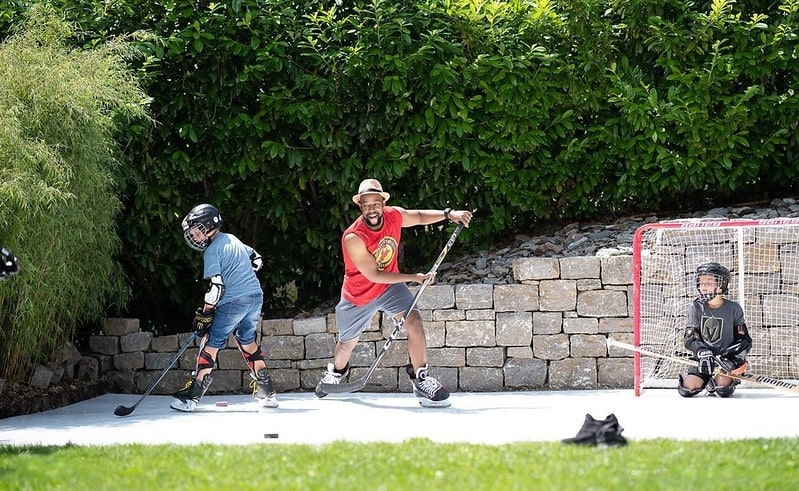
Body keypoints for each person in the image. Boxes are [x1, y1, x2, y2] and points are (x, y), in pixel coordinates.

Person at [315, 178, 473, 407]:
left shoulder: (393, 216)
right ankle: (337, 373)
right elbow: (374, 275)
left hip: (390, 287)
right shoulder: (353, 237)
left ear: (383, 202)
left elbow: (418, 217)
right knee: (346, 344)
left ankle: (421, 379)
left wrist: (449, 214)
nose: (372, 209)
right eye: (366, 204)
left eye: (375, 202)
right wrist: (414, 278)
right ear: (360, 206)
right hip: (359, 294)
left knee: (415, 323)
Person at [171, 203, 277, 411]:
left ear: (210, 225)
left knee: (212, 341)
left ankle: (192, 396)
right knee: (246, 340)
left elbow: (216, 288)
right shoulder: (232, 239)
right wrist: (242, 276)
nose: (195, 236)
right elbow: (256, 259)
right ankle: (267, 392)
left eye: (197, 231)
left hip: (233, 301)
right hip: (255, 296)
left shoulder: (211, 251)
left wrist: (206, 313)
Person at [678, 262, 752, 398]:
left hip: (724, 360)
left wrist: (733, 359)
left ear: (721, 285)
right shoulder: (695, 308)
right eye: (701, 283)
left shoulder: (733, 309)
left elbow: (744, 340)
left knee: (723, 389)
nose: (703, 286)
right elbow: (690, 336)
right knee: (687, 389)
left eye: (709, 282)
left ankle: (724, 379)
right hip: (703, 360)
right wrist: (701, 351)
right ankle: (706, 380)